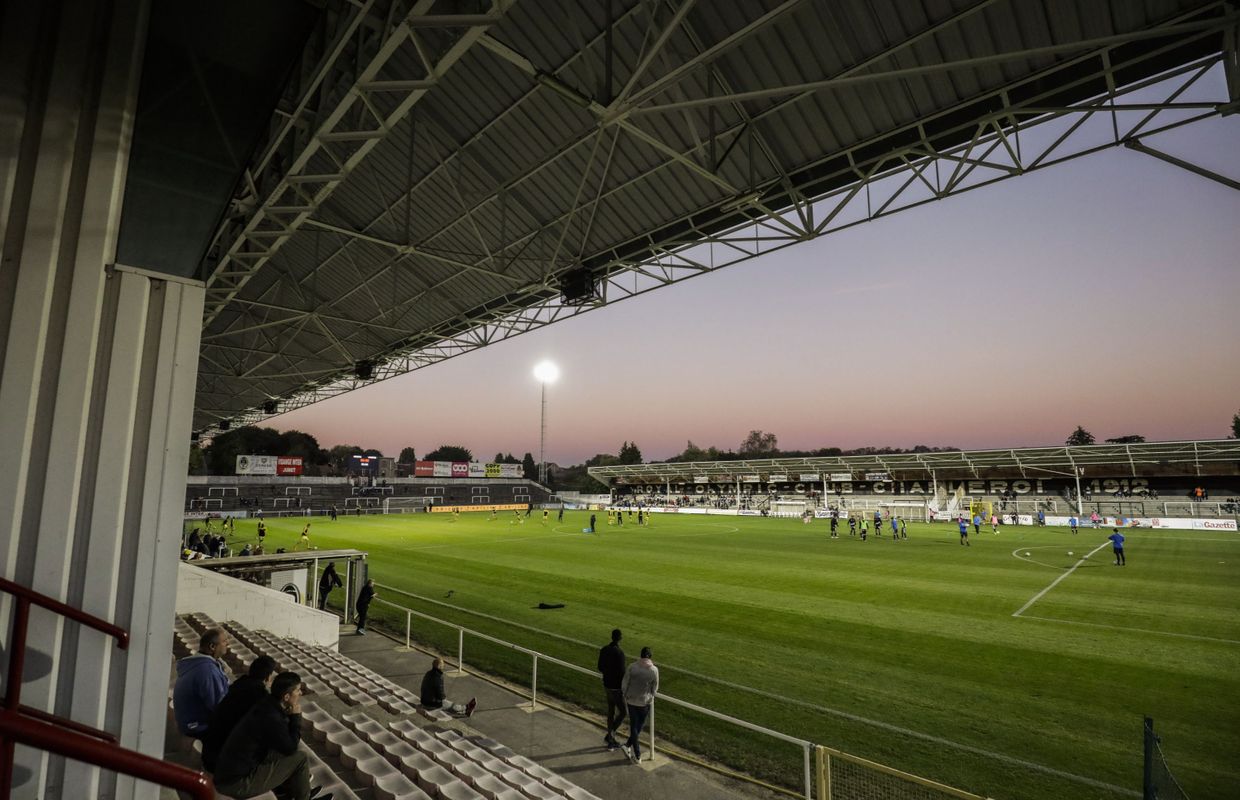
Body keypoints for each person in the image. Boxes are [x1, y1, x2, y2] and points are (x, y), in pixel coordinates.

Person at [212, 672, 330, 800]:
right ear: (286, 697)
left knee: (281, 753)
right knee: (300, 758)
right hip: (236, 783)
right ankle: (303, 798)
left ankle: (294, 790)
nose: (301, 693)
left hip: (230, 772)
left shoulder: (266, 705)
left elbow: (282, 744)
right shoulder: (272, 718)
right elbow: (291, 747)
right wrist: (295, 717)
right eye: (297, 690)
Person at [201, 656, 278, 773]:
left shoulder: (237, 686)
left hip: (209, 754)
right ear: (268, 677)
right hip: (225, 763)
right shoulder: (260, 697)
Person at [173, 628, 231, 739]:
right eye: (224, 641)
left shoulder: (197, 663)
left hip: (189, 723)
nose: (228, 643)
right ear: (212, 647)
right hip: (198, 727)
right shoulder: (207, 670)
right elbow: (219, 706)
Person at [620, 647, 659, 764]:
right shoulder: (654, 670)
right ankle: (637, 754)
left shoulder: (632, 667)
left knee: (635, 727)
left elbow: (625, 682)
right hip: (645, 702)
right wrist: (651, 696)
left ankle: (628, 745)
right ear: (650, 656)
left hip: (632, 701)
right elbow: (655, 687)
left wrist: (625, 695)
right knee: (638, 726)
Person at [597, 629, 626, 749]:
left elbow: (600, 667)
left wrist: (608, 674)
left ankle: (610, 736)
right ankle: (610, 735)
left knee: (611, 711)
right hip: (616, 687)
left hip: (607, 685)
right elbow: (622, 672)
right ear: (620, 638)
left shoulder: (604, 649)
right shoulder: (619, 653)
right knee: (623, 712)